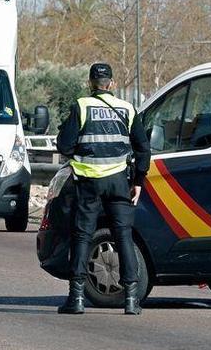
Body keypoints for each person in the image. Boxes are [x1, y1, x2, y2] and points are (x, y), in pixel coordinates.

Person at [55, 63, 151, 315]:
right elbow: (143, 148)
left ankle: (76, 299)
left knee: (83, 236)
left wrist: (78, 154)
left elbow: (64, 146)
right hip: (120, 182)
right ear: (112, 84)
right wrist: (139, 181)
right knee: (123, 237)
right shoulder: (127, 109)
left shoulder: (82, 106)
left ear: (90, 83)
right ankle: (131, 299)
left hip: (88, 183)